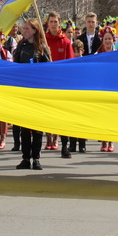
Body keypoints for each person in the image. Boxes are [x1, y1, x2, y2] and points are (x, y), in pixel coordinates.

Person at [13, 18, 51, 170]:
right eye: (24, 28)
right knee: (24, 128)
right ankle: (25, 158)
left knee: (37, 128)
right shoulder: (21, 46)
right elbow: (15, 67)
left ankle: (36, 158)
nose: (24, 30)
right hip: (24, 91)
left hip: (37, 91)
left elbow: (48, 70)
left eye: (27, 28)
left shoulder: (42, 48)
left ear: (35, 30)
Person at [44, 11, 74, 155]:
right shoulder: (43, 41)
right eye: (51, 22)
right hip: (46, 82)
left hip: (61, 83)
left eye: (56, 22)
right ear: (47, 23)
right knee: (47, 113)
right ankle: (49, 139)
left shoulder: (66, 42)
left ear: (59, 23)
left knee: (62, 115)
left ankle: (63, 144)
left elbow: (70, 64)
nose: (54, 24)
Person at [96, 26, 117, 152]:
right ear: (102, 40)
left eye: (110, 39)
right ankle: (104, 140)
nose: (108, 41)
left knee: (112, 114)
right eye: (105, 39)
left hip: (113, 86)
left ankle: (111, 140)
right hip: (102, 86)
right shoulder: (98, 54)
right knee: (103, 114)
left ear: (113, 40)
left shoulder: (117, 53)